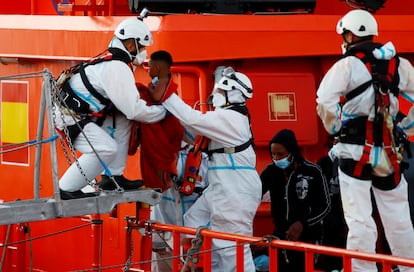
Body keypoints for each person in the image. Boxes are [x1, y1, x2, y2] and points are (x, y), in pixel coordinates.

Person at [316, 9, 414, 272]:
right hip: (389, 154)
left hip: (354, 150)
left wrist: (335, 126)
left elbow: (324, 101)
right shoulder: (399, 64)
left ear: (349, 34)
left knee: (359, 220)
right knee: (399, 219)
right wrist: (406, 124)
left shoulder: (347, 65)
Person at [151, 66, 262, 271]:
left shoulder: (230, 119)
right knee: (192, 221)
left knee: (233, 248)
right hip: (224, 187)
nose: (215, 95)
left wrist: (167, 94)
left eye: (219, 91)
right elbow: (192, 130)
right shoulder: (230, 119)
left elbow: (193, 120)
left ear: (231, 93)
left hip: (234, 190)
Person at [54, 17, 167, 199]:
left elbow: (126, 111)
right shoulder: (117, 67)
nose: (144, 52)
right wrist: (162, 113)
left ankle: (112, 178)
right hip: (69, 117)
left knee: (122, 119)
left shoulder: (113, 62)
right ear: (131, 45)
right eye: (143, 47)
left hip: (75, 113)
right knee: (106, 148)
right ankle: (66, 189)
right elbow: (134, 109)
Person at [260, 129, 330, 272]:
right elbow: (252, 195)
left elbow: (325, 206)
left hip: (308, 236)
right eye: (273, 154)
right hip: (280, 236)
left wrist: (302, 224)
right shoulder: (270, 172)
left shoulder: (313, 171)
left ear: (292, 152)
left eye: (280, 154)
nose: (276, 158)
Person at [131, 50, 184, 191]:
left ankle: (162, 183)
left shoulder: (163, 80)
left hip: (167, 126)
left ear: (157, 68)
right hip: (164, 122)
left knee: (160, 157)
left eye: (150, 66)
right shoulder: (162, 80)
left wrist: (149, 89)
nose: (147, 70)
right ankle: (161, 182)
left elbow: (156, 97)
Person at [316, 137, 347, 272]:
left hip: (347, 216)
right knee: (329, 252)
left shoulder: (349, 163)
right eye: (335, 142)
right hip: (328, 218)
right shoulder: (323, 164)